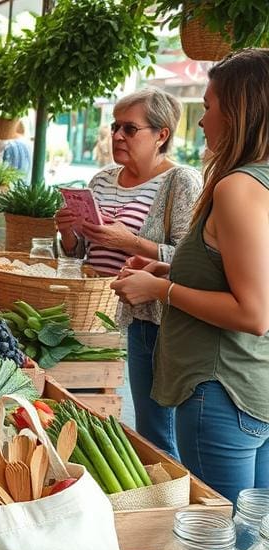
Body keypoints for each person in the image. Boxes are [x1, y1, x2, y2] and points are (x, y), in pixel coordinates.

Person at [111, 50, 269, 504]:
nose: (201, 121)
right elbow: (244, 274)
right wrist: (171, 268)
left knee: (219, 532)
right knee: (252, 534)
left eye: (210, 105)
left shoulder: (237, 186)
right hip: (254, 383)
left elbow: (253, 311)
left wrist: (161, 288)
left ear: (240, 112)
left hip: (220, 389)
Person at [58, 88, 202, 459]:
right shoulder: (102, 180)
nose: (117, 136)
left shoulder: (181, 183)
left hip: (152, 320)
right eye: (115, 126)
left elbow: (193, 261)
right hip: (95, 315)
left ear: (161, 135)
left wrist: (131, 242)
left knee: (156, 426)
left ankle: (164, 499)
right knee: (103, 418)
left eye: (129, 128)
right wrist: (69, 234)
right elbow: (80, 254)